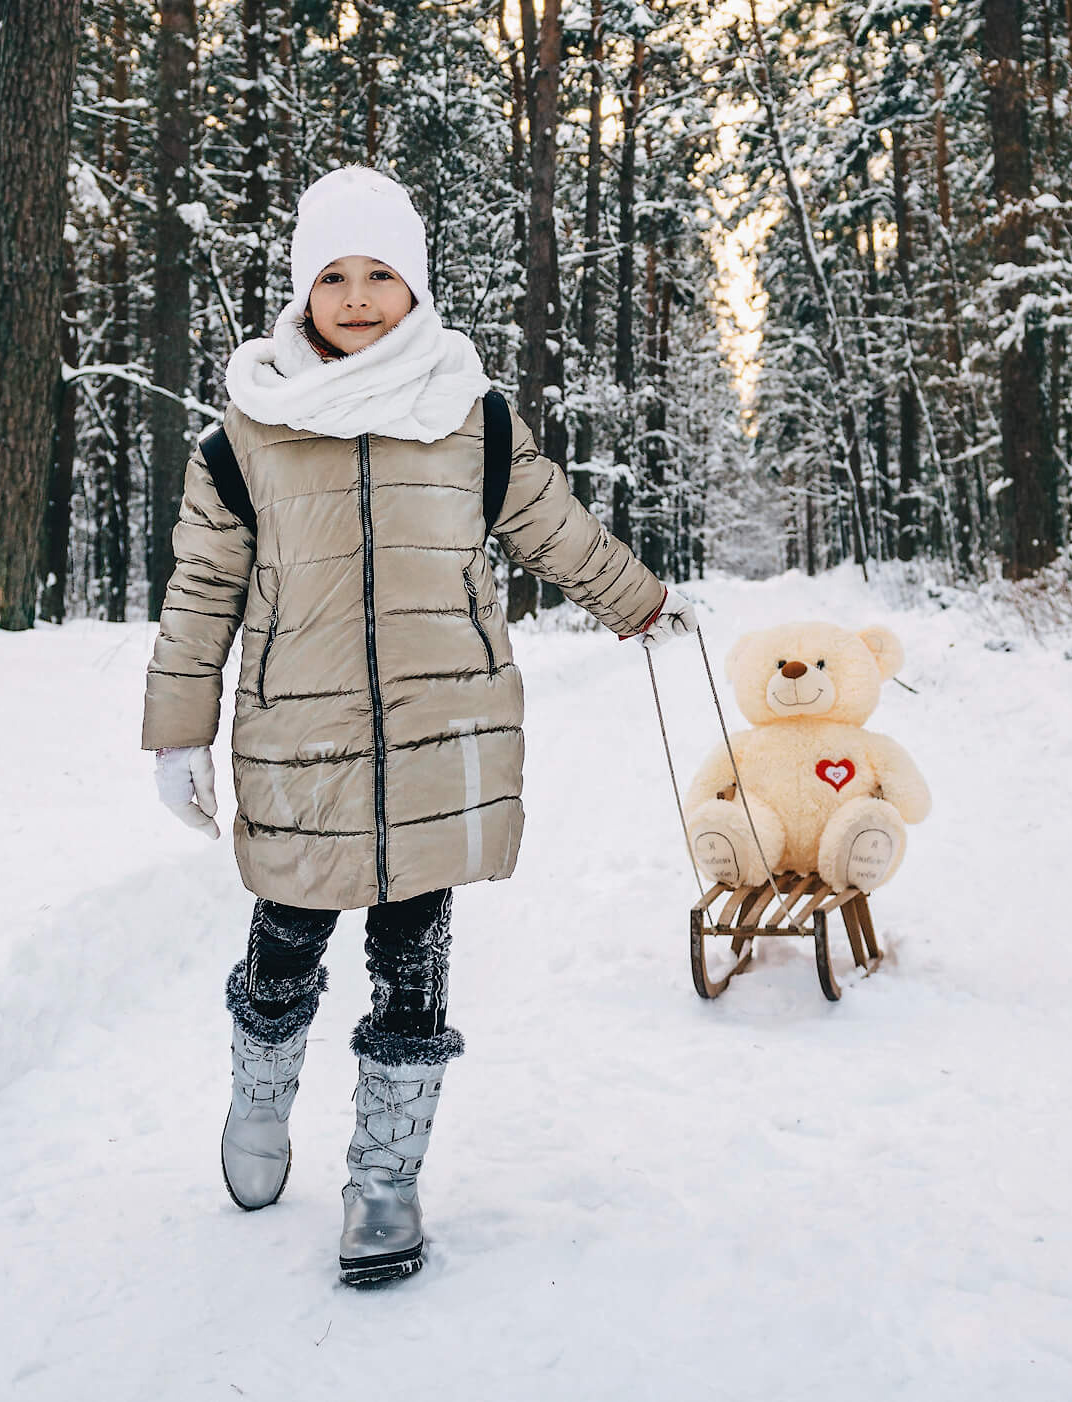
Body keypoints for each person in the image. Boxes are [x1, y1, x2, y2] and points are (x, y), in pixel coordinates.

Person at [141, 166, 696, 1286]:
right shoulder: (243, 437)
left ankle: (384, 1180)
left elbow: (552, 527)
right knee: (287, 944)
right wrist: (176, 732)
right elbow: (202, 591)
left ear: (416, 286)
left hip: (444, 735)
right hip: (299, 741)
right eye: (333, 277)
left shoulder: (469, 414)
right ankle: (261, 1094)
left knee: (413, 961)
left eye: (379, 275)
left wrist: (640, 599)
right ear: (303, 292)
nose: (356, 297)